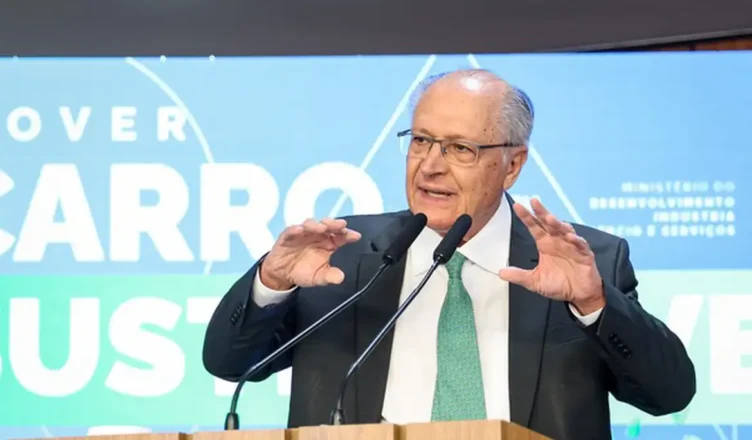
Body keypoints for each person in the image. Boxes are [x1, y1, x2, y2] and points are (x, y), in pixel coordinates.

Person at [203, 69, 695, 440]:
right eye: (421, 141)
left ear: (512, 165)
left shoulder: (583, 265)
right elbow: (229, 363)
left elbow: (668, 394)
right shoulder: (343, 256)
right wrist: (272, 283)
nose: (430, 167)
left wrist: (594, 303)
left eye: (460, 149)